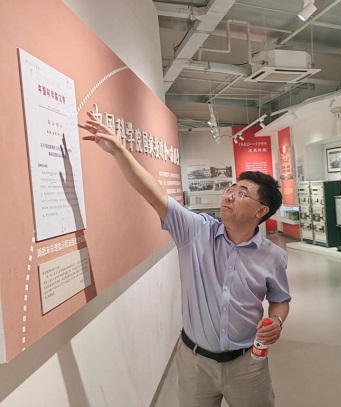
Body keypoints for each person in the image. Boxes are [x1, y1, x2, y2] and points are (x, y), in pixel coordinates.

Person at [78, 112, 291, 407]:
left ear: (261, 211)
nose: (229, 196)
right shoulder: (195, 232)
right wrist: (118, 150)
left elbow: (280, 299)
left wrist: (277, 321)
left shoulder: (273, 256)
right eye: (231, 189)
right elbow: (152, 192)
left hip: (247, 365)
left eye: (242, 193)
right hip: (195, 364)